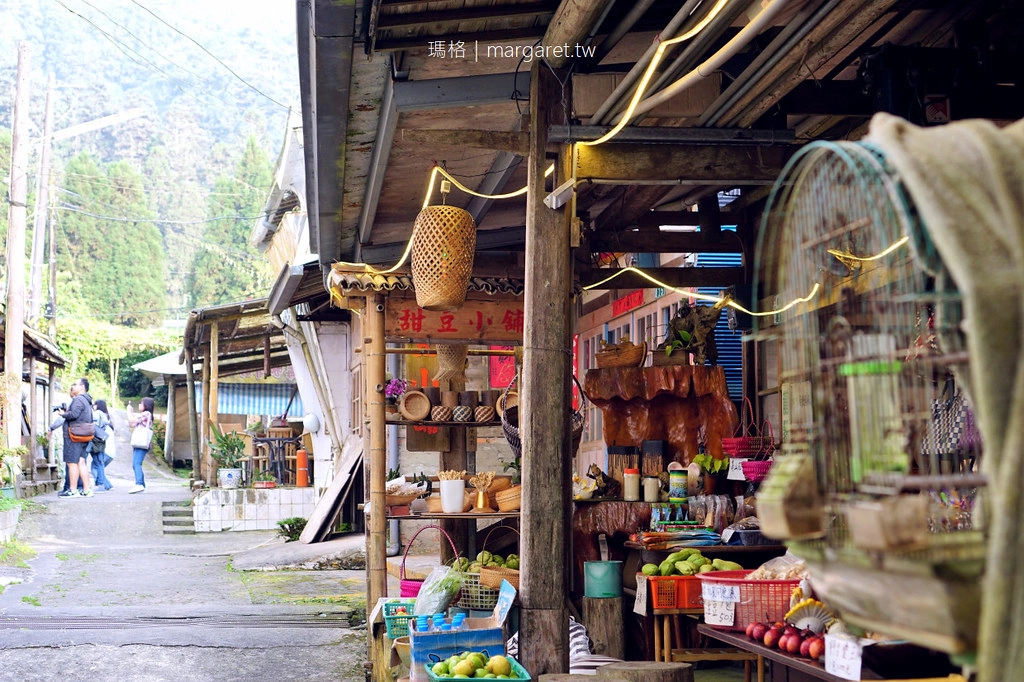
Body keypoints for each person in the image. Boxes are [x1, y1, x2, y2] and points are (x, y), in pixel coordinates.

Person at [61, 378, 94, 498]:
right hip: (85, 435)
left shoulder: (79, 400)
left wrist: (63, 414)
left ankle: (73, 490)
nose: (73, 386)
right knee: (81, 462)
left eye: (75, 384)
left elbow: (74, 415)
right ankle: (87, 490)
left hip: (74, 435)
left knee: (72, 463)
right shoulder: (87, 400)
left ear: (82, 387)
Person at [126, 397, 154, 494]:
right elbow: (132, 424)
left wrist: (129, 412)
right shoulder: (145, 415)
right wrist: (131, 414)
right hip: (139, 442)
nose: (139, 405)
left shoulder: (147, 414)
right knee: (136, 464)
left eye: (141, 403)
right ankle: (141, 484)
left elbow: (132, 420)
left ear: (146, 405)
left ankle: (139, 484)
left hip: (141, 442)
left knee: (136, 464)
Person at [91, 400, 115, 492]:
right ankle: (107, 485)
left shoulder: (98, 415)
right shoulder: (108, 420)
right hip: (112, 452)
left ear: (97, 406)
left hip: (106, 450)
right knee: (99, 468)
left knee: (95, 467)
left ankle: (101, 485)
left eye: (94, 405)